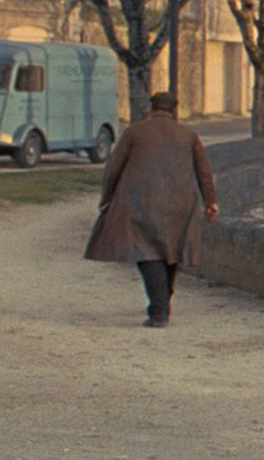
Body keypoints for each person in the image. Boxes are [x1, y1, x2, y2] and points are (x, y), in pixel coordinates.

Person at [84, 92, 219, 327]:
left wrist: (106, 197)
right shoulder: (189, 135)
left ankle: (159, 311)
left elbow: (113, 167)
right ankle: (162, 302)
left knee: (147, 252)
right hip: (180, 203)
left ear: (152, 107)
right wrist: (210, 201)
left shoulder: (134, 132)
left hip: (140, 201)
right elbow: (204, 171)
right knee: (171, 251)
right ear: (174, 109)